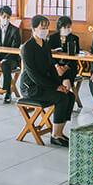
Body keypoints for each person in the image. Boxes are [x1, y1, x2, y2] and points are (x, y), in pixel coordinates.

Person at [19, 15, 75, 146]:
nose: (45, 30)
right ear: (33, 29)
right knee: (61, 98)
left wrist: (60, 85)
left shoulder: (45, 44)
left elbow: (51, 67)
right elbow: (34, 75)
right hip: (31, 87)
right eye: (42, 27)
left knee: (69, 96)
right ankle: (55, 136)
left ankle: (59, 132)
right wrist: (55, 88)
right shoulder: (27, 48)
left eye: (46, 27)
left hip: (45, 84)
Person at [0, 6, 21, 103]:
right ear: (0, 16)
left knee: (5, 65)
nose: (6, 19)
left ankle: (7, 93)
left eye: (8, 17)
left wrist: (3, 61)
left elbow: (14, 48)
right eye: (4, 17)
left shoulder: (15, 30)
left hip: (11, 59)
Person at [48, 15, 80, 103]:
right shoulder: (52, 38)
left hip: (69, 67)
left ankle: (63, 100)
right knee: (52, 76)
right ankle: (56, 100)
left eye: (69, 27)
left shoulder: (74, 38)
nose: (67, 28)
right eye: (64, 27)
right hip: (55, 67)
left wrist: (65, 67)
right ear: (59, 27)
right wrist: (57, 66)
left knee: (66, 77)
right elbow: (49, 54)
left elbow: (76, 56)